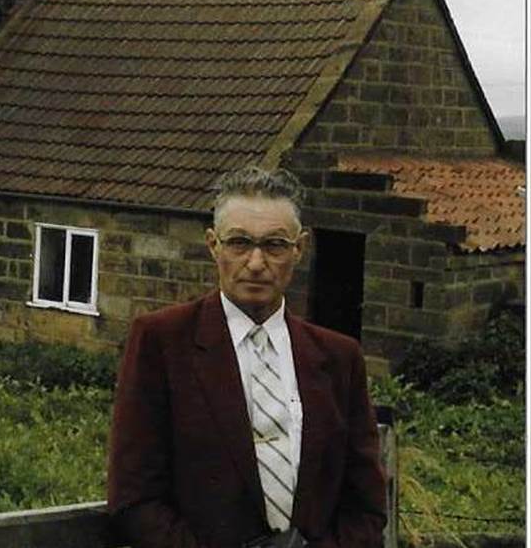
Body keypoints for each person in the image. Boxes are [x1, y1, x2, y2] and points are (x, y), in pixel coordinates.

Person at [106, 165, 387, 548]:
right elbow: (134, 499)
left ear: (299, 249)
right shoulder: (161, 341)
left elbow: (366, 507)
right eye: (239, 243)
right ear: (213, 245)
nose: (256, 263)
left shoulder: (339, 358)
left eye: (274, 245)